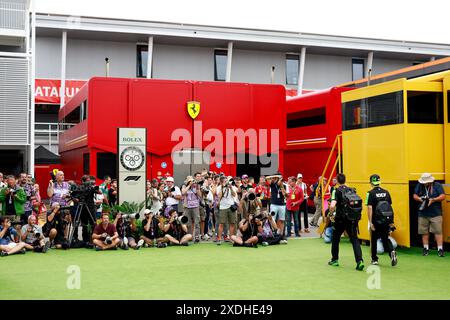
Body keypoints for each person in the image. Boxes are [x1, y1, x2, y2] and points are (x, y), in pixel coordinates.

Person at [328, 173, 364, 271]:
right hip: (352, 219)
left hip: (340, 219)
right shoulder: (352, 189)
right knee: (354, 240)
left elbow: (332, 205)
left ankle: (335, 260)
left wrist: (331, 214)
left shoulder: (336, 190)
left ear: (337, 181)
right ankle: (359, 261)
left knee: (335, 238)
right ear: (345, 180)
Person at [366, 174, 397, 266]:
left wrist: (370, 222)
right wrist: (391, 221)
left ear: (371, 182)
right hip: (386, 219)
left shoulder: (370, 193)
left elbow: (369, 208)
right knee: (385, 238)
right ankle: (392, 251)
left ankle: (374, 259)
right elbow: (389, 206)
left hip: (376, 220)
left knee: (374, 239)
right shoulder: (386, 192)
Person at [413, 173, 445, 257]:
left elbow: (442, 196)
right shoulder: (419, 185)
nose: (424, 183)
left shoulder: (437, 185)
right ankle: (425, 248)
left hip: (436, 213)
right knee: (424, 232)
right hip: (422, 213)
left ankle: (440, 249)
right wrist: (420, 199)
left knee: (438, 232)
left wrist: (433, 199)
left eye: (425, 182)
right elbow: (414, 195)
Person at [216, 176, 238, 245]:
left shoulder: (232, 186)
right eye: (225, 181)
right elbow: (219, 196)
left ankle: (231, 238)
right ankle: (219, 239)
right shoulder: (219, 188)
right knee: (221, 223)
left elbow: (234, 195)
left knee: (232, 223)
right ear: (221, 182)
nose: (226, 182)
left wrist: (231, 188)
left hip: (231, 206)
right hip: (223, 207)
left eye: (226, 181)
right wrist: (223, 187)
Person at [182, 176, 202, 243]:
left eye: (192, 181)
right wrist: (189, 186)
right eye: (190, 181)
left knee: (197, 222)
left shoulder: (195, 187)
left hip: (195, 206)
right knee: (188, 223)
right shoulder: (184, 186)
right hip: (187, 207)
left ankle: (197, 237)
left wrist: (197, 188)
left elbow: (200, 196)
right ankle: (189, 236)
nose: (192, 182)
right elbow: (183, 193)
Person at [267, 173, 287, 238]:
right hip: (274, 204)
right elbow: (267, 178)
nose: (280, 181)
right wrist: (274, 176)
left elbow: (286, 195)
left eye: (281, 180)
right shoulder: (272, 184)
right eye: (280, 180)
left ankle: (281, 234)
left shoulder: (284, 185)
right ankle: (273, 232)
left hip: (282, 205)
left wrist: (282, 187)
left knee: (282, 220)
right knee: (272, 219)